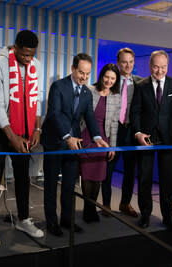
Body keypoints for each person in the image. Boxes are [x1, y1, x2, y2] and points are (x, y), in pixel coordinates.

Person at [0, 30, 44, 247]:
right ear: (15, 47)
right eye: (24, 54)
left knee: (22, 176)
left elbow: (36, 98)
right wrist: (13, 137)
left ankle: (23, 219)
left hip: (26, 128)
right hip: (0, 131)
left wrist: (36, 128)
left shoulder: (35, 65)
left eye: (31, 55)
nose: (28, 59)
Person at [41, 53, 109, 236]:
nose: (84, 77)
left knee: (70, 185)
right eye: (81, 72)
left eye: (87, 74)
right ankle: (52, 222)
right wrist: (67, 137)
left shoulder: (87, 93)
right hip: (55, 141)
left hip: (74, 144)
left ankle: (66, 220)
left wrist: (97, 137)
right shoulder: (58, 86)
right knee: (50, 185)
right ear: (72, 68)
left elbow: (90, 116)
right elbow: (54, 114)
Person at [130, 50, 172, 230]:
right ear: (150, 66)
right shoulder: (141, 86)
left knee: (168, 179)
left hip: (168, 138)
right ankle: (145, 215)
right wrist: (138, 133)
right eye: (156, 66)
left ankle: (168, 215)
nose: (159, 70)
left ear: (167, 66)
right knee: (144, 178)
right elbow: (135, 113)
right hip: (146, 139)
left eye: (163, 67)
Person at [101, 48, 142, 218]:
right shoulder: (111, 80)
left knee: (130, 170)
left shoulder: (140, 83)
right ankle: (106, 204)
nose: (128, 65)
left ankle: (125, 203)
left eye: (131, 62)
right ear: (118, 63)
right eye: (124, 62)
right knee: (108, 169)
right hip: (113, 130)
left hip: (131, 131)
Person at [79, 63, 120, 223]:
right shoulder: (89, 90)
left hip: (104, 140)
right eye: (106, 77)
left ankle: (91, 207)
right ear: (101, 76)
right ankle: (88, 210)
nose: (109, 81)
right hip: (87, 136)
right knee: (87, 175)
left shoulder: (116, 97)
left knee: (98, 176)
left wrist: (113, 146)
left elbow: (115, 123)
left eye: (112, 78)